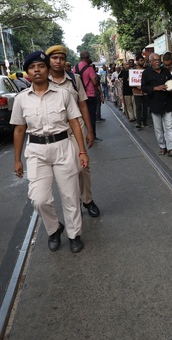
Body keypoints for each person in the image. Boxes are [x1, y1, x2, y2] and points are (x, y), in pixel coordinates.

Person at [10, 51, 89, 253]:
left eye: (41, 66)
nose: (37, 70)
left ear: (47, 69)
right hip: (36, 151)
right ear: (27, 72)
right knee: (39, 199)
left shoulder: (63, 94)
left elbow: (74, 122)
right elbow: (19, 129)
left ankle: (74, 234)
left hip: (63, 146)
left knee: (70, 196)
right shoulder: (21, 99)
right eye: (32, 67)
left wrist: (82, 151)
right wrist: (17, 159)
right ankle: (54, 229)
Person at [46, 45, 101, 218]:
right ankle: (73, 202)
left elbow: (83, 105)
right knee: (67, 169)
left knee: (83, 166)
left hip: (76, 127)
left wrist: (90, 131)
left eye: (61, 58)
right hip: (57, 130)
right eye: (54, 58)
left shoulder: (74, 79)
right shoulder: (43, 80)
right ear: (48, 61)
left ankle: (88, 200)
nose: (58, 61)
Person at [141, 53, 172, 157]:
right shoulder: (146, 73)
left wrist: (170, 87)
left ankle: (171, 148)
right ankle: (162, 146)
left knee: (169, 126)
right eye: (155, 60)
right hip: (155, 104)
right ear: (150, 62)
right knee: (158, 127)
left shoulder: (165, 71)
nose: (157, 61)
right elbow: (143, 87)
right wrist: (155, 88)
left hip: (167, 102)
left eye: (158, 59)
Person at [74, 51, 103, 142]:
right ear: (87, 58)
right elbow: (94, 82)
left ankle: (83, 135)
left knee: (81, 117)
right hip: (90, 95)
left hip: (79, 96)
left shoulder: (75, 67)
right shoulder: (89, 68)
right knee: (91, 117)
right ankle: (92, 136)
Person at [133, 55, 150, 128]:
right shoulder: (133, 70)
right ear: (137, 61)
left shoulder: (146, 70)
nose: (142, 62)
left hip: (145, 91)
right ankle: (138, 122)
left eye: (143, 60)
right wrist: (137, 86)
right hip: (136, 91)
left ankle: (145, 122)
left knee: (145, 107)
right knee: (138, 107)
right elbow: (131, 81)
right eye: (140, 60)